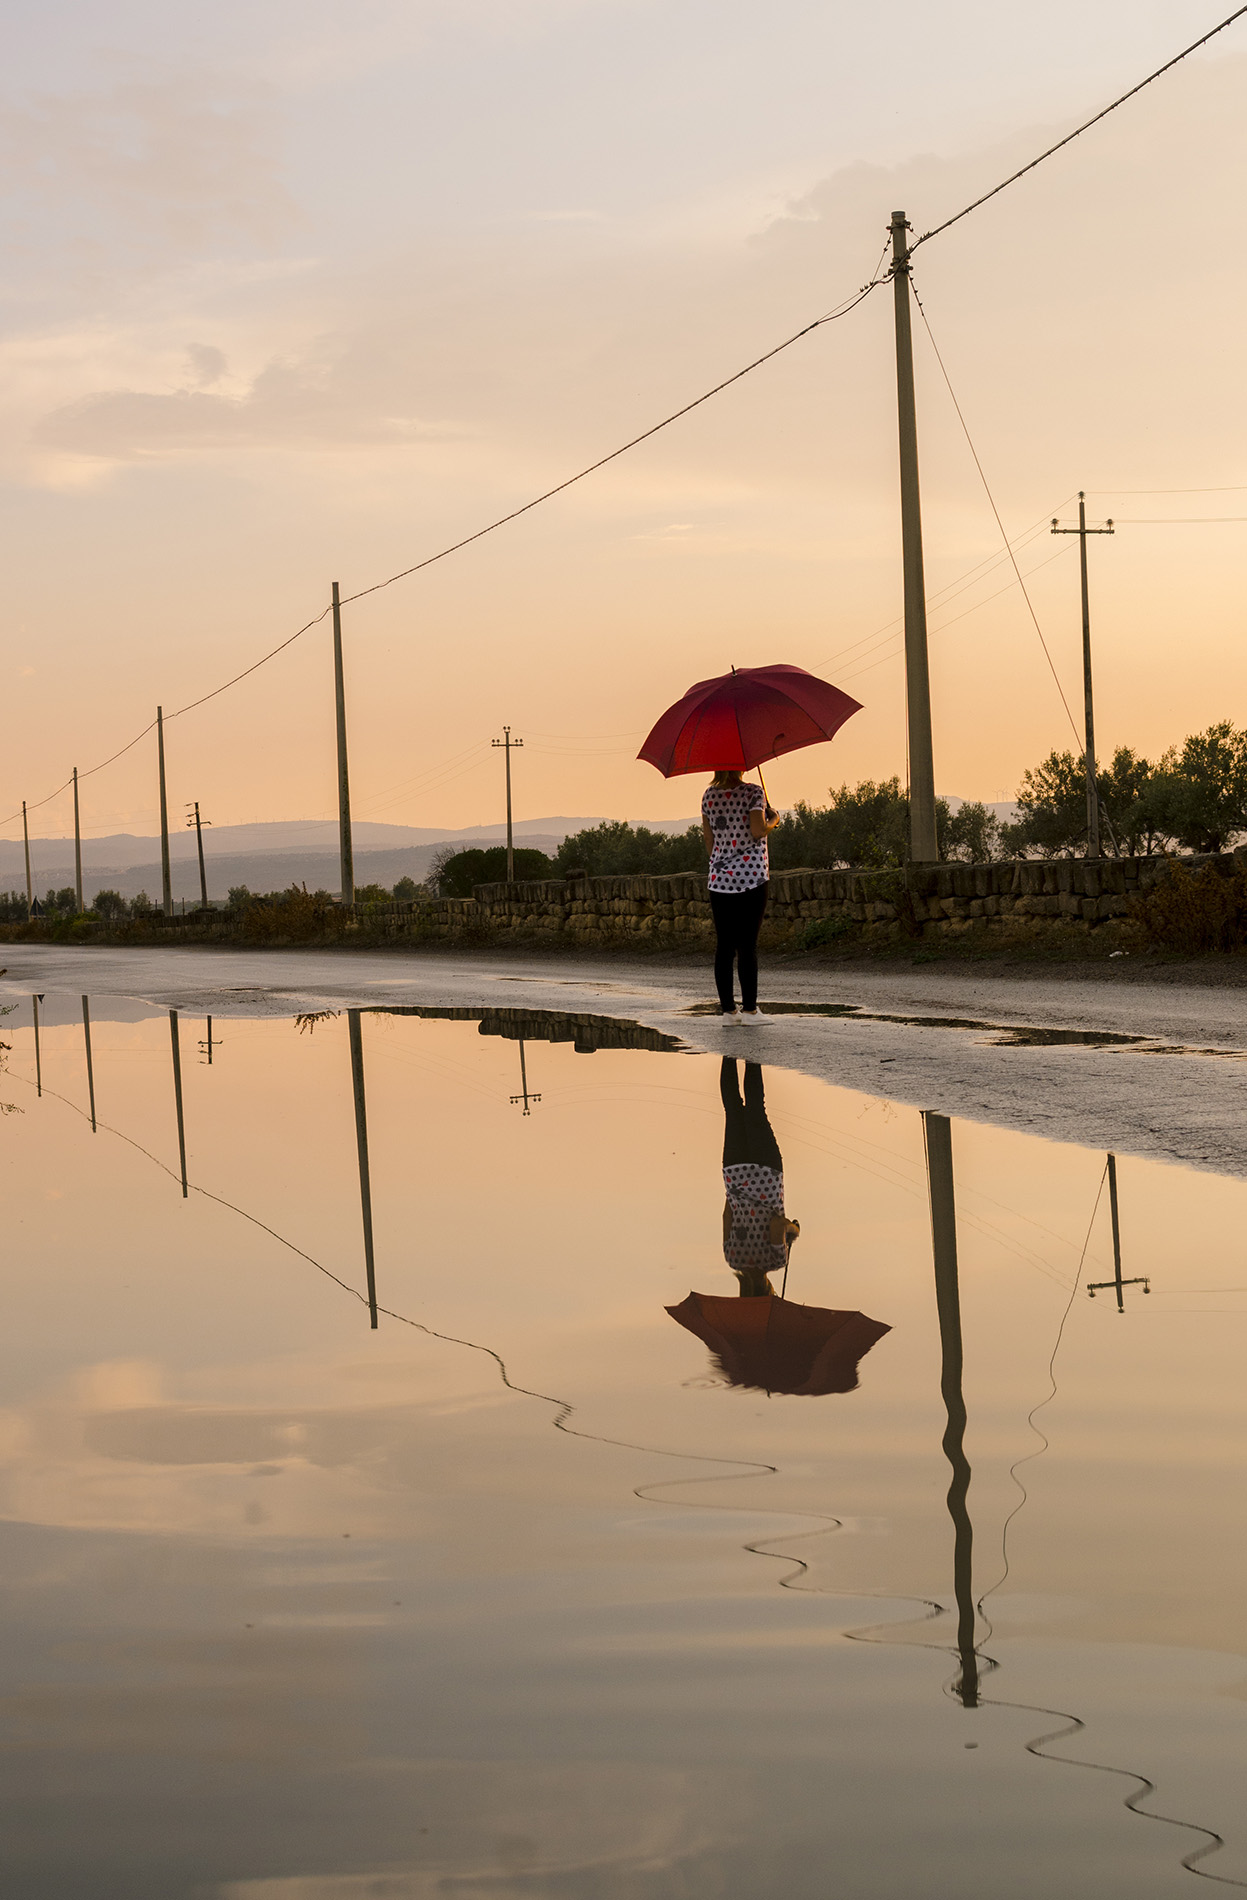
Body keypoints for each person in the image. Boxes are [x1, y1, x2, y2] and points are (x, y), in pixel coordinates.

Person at [701, 767, 780, 1019]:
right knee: (747, 945)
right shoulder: (754, 792)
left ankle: (728, 1012)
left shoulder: (708, 795)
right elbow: (758, 830)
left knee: (724, 946)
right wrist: (774, 819)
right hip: (751, 877)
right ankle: (750, 1010)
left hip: (719, 879)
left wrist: (721, 861)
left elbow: (709, 841)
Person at [719, 1058, 799, 1295]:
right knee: (733, 1109)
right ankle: (727, 1054)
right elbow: (727, 1214)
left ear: (768, 1290)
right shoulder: (732, 1258)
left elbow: (776, 1224)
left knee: (756, 1108)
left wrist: (792, 1230)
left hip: (766, 1174)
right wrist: (738, 1194)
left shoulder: (776, 1261)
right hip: (735, 1173)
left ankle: (752, 1055)